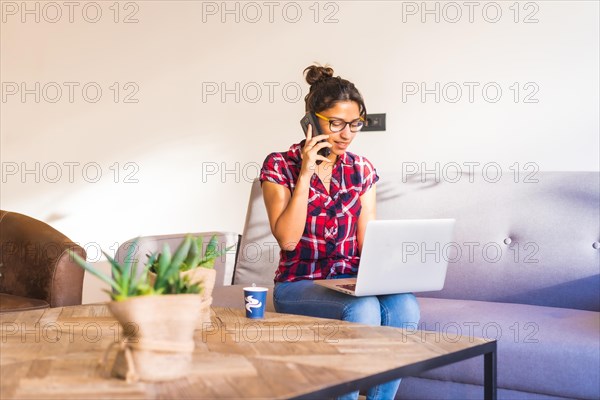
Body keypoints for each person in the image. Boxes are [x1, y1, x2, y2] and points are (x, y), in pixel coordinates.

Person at [259, 64, 420, 400]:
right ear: (311, 121)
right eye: (336, 124)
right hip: (299, 283)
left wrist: (390, 272)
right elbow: (288, 239)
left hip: (349, 280)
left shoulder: (362, 170)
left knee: (405, 307)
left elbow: (369, 240)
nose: (347, 134)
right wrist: (305, 174)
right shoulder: (279, 165)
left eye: (355, 124)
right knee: (361, 311)